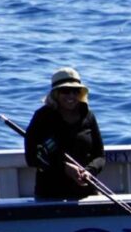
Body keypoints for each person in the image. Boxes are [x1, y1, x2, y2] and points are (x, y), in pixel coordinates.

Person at [23, 67, 105, 200]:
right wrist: (64, 167)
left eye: (75, 91)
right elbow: (32, 157)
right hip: (50, 195)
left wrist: (90, 171)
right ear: (55, 94)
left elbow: (100, 155)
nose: (71, 96)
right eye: (65, 91)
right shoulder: (42, 117)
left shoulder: (88, 116)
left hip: (86, 194)